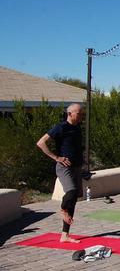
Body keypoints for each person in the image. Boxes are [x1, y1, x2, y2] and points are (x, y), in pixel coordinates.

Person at [36, 103, 85, 243]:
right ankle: (62, 208)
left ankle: (65, 235)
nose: (81, 116)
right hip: (64, 167)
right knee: (71, 191)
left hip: (76, 167)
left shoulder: (77, 128)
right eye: (79, 114)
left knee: (74, 199)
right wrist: (56, 158)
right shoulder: (60, 127)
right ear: (70, 113)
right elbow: (41, 143)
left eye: (82, 114)